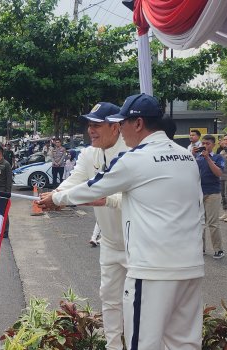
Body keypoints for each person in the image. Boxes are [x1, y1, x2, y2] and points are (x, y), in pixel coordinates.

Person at [38, 93, 204, 349]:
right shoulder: (185, 156)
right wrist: (59, 195)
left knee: (143, 342)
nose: (121, 130)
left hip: (150, 267)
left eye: (121, 123)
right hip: (189, 265)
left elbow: (93, 188)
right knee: (182, 342)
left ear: (136, 124)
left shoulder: (135, 157)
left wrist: (57, 199)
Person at [48, 101, 129, 350]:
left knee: (138, 304)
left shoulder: (133, 153)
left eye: (97, 125)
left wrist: (103, 199)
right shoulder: (89, 153)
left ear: (115, 127)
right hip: (110, 242)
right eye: (89, 125)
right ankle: (114, 346)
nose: (91, 130)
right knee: (110, 299)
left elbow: (137, 199)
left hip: (138, 244)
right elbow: (75, 180)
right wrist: (55, 196)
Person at [195, 135, 225, 259]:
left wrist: (208, 158)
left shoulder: (218, 157)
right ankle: (199, 248)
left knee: (213, 223)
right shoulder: (197, 158)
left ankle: (218, 249)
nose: (205, 146)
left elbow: (219, 173)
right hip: (198, 192)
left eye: (207, 143)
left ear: (213, 145)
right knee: (198, 223)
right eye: (203, 143)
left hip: (213, 192)